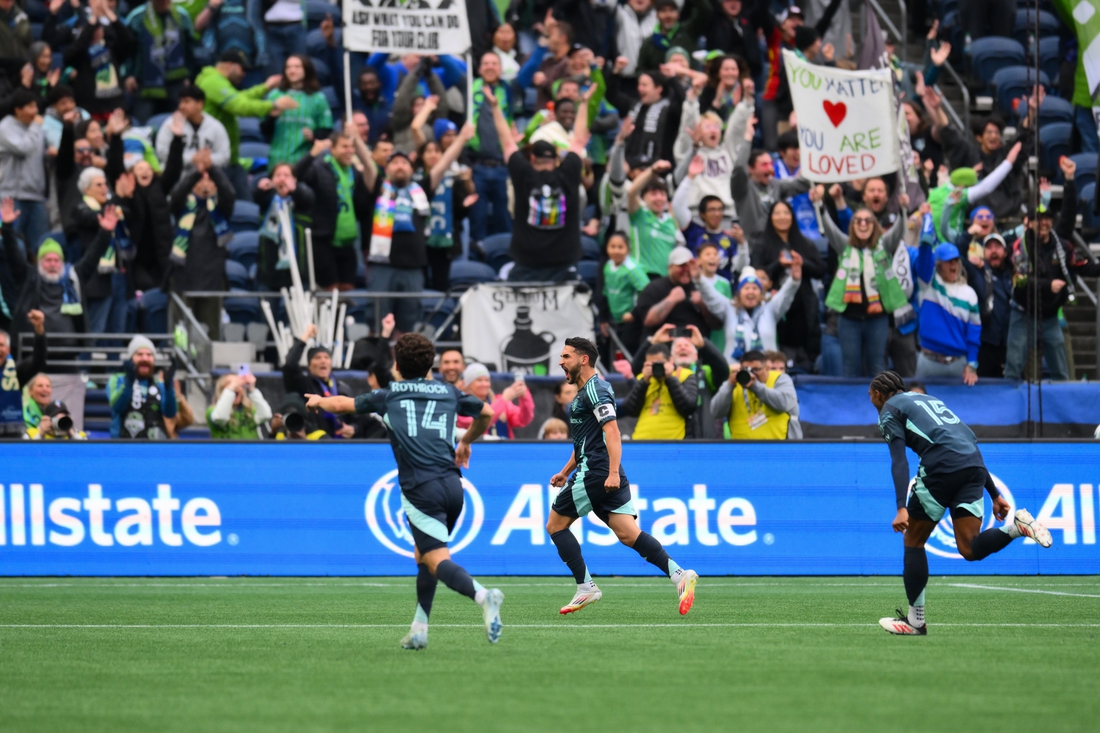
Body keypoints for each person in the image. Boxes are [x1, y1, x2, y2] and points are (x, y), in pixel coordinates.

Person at [305, 332, 504, 650]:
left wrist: (318, 401)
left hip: (420, 489)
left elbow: (343, 404)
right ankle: (419, 628)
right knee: (423, 556)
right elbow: (487, 413)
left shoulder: (389, 394)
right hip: (453, 488)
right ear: (431, 365)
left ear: (396, 364)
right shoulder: (448, 391)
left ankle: (483, 596)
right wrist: (465, 441)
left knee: (436, 558)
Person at [869, 370, 1052, 635]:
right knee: (969, 549)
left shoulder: (889, 409)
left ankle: (915, 622)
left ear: (877, 394)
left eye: (871, 397)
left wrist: (901, 508)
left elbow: (899, 460)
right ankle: (1017, 528)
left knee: (913, 541)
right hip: (974, 465)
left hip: (941, 468)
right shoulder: (929, 400)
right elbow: (965, 441)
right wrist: (995, 493)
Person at [547, 336, 699, 615]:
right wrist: (565, 471)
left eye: (566, 356)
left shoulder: (596, 389)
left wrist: (612, 471)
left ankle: (585, 587)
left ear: (583, 359)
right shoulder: (585, 392)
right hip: (603, 471)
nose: (560, 362)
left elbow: (612, 432)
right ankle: (680, 575)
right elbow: (586, 440)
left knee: (555, 526)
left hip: (598, 472)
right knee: (628, 534)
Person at [486, 83, 590, 282]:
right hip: (564, 262)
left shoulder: (524, 174)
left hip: (527, 262)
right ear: (557, 160)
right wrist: (583, 104)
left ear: (532, 159)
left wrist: (495, 107)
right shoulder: (568, 173)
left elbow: (507, 143)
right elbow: (578, 140)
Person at [815, 189, 910, 377]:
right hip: (849, 319)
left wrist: (902, 210)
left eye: (868, 220)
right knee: (850, 369)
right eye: (858, 220)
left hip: (877, 319)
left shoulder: (885, 245)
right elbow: (830, 229)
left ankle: (875, 406)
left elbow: (899, 230)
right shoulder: (845, 246)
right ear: (852, 226)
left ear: (875, 225)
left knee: (876, 368)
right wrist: (819, 205)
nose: (863, 224)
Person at [1004, 157, 1079, 382]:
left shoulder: (1057, 242)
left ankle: (1062, 415)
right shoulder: (1020, 245)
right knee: (1013, 367)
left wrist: (1070, 180)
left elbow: (1068, 217)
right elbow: (1022, 280)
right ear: (1029, 223)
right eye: (1039, 220)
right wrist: (1049, 285)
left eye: (1047, 219)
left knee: (1061, 372)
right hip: (1022, 314)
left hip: (1049, 317)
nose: (1044, 223)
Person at [195, 49, 299, 200]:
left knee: (247, 203)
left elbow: (239, 97)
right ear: (230, 65)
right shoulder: (212, 81)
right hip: (215, 162)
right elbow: (239, 106)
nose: (244, 74)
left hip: (230, 161)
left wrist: (265, 88)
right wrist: (274, 105)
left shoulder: (219, 81)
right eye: (242, 68)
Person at [168, 147, 236, 340]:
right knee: (181, 332)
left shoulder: (221, 211)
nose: (205, 183)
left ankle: (210, 369)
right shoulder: (181, 207)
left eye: (210, 180)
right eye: (200, 180)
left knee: (210, 331)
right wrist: (197, 171)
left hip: (212, 278)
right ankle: (180, 367)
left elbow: (229, 193)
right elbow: (177, 193)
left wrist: (212, 168)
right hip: (183, 276)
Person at [751, 199, 827, 370]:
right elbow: (756, 273)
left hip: (804, 306)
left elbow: (821, 270)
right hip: (774, 308)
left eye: (786, 213)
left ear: (792, 217)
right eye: (777, 213)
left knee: (806, 355)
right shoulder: (762, 243)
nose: (782, 217)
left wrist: (802, 263)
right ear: (770, 217)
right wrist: (778, 265)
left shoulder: (804, 242)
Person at [293, 134, 372, 290]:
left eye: (351, 147)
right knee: (331, 292)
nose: (349, 151)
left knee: (348, 289)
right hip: (324, 239)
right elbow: (296, 175)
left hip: (348, 241)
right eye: (344, 146)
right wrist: (312, 153)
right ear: (332, 149)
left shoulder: (354, 172)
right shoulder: (319, 168)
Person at [912, 214, 981, 385]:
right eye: (948, 261)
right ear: (938, 264)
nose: (953, 265)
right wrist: (927, 226)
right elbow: (925, 254)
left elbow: (974, 332)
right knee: (920, 410)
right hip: (928, 362)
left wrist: (972, 364)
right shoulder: (928, 283)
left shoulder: (969, 293)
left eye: (956, 260)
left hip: (957, 364)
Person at [697, 260, 803, 362]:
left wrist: (794, 281)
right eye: (746, 288)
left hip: (766, 371)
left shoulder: (770, 308)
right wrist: (698, 278)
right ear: (739, 293)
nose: (750, 291)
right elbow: (710, 296)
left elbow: (786, 295)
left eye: (755, 288)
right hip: (735, 371)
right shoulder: (729, 309)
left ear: (761, 293)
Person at [730, 112, 811, 240]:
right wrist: (748, 137)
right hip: (753, 246)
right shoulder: (742, 189)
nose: (770, 168)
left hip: (776, 245)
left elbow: (803, 184)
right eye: (764, 165)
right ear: (751, 169)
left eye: (770, 164)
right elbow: (739, 168)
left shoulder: (775, 184)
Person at [467, 51, 516, 246]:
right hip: (477, 166)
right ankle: (476, 262)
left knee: (505, 218)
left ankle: (506, 259)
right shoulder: (469, 88)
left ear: (501, 69)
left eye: (494, 64)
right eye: (485, 63)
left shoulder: (511, 90)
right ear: (479, 69)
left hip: (503, 166)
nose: (489, 67)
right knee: (477, 220)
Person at [124, 0, 197, 123]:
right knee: (143, 125)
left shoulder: (182, 16)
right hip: (145, 84)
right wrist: (128, 75)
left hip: (176, 82)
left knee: (180, 122)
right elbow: (127, 49)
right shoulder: (137, 17)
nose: (165, 2)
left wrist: (189, 75)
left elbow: (190, 49)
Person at [63, 0, 134, 118]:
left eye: (98, 28)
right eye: (92, 29)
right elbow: (73, 52)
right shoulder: (80, 54)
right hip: (90, 109)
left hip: (115, 109)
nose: (96, 32)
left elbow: (128, 39)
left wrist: (107, 12)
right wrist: (93, 19)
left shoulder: (112, 49)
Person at [282, 322, 353, 438]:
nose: (323, 361)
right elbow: (290, 365)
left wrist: (354, 428)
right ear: (309, 365)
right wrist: (305, 337)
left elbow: (356, 418)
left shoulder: (342, 388)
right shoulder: (303, 386)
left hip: (341, 445)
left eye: (326, 357)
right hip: (314, 445)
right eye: (317, 358)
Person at [711, 349, 801, 440]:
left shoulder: (780, 379)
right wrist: (729, 385)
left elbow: (784, 403)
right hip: (744, 451)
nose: (751, 373)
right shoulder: (733, 385)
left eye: (756, 369)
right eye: (746, 370)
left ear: (767, 368)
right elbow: (715, 412)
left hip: (778, 449)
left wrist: (755, 386)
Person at [0, 89, 49, 254]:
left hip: (36, 196)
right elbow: (22, 148)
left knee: (42, 246)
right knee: (11, 244)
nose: (35, 111)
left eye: (36, 106)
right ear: (17, 109)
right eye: (30, 106)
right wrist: (35, 127)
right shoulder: (5, 127)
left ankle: (39, 279)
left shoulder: (37, 129)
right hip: (12, 197)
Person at [254, 161, 314, 291]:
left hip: (298, 271)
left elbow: (308, 199)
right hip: (268, 271)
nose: (282, 179)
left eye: (287, 175)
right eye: (278, 175)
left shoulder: (302, 200)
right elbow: (257, 197)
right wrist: (262, 189)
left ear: (295, 179)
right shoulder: (267, 200)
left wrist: (293, 190)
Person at [265, 54, 332, 170]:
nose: (292, 70)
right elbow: (265, 130)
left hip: (306, 161)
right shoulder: (274, 95)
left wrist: (313, 136)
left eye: (297, 67)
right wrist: (271, 117)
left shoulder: (318, 98)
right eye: (288, 67)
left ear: (306, 70)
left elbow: (326, 130)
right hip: (278, 160)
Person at [620, 341, 697, 439]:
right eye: (651, 365)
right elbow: (630, 410)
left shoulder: (684, 375)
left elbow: (689, 407)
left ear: (670, 360)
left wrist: (670, 379)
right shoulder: (643, 378)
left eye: (659, 364)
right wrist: (644, 383)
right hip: (641, 440)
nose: (656, 368)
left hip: (675, 441)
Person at [962, 232, 1014, 378]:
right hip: (986, 344)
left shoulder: (1015, 273)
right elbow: (959, 254)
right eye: (989, 248)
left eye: (997, 247)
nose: (993, 251)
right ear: (984, 253)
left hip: (1010, 344)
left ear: (1005, 252)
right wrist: (970, 233)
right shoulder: (977, 272)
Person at [633, 246, 715, 336]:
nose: (686, 270)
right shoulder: (654, 287)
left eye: (689, 265)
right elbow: (648, 321)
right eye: (681, 266)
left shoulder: (701, 288)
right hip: (663, 345)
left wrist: (702, 305)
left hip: (695, 345)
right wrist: (671, 300)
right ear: (670, 267)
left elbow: (716, 325)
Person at [108, 335, 177, 439]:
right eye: (139, 354)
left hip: (156, 449)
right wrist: (129, 382)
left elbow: (170, 413)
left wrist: (168, 388)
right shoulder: (117, 379)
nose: (145, 358)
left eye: (149, 355)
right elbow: (117, 407)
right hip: (125, 447)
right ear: (131, 358)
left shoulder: (160, 384)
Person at [154, 87, 231, 175]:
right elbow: (162, 152)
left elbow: (225, 156)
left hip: (205, 176)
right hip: (175, 176)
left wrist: (208, 160)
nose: (181, 106)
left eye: (186, 102)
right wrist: (191, 159)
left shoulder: (215, 126)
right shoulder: (171, 123)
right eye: (181, 101)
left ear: (200, 104)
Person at [627, 159, 682, 278]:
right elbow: (632, 192)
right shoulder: (640, 215)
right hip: (643, 277)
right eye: (653, 194)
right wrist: (652, 170)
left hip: (666, 280)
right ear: (643, 198)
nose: (659, 198)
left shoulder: (671, 221)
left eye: (662, 194)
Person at [599, 231, 649, 353]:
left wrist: (634, 314)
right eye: (612, 247)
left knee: (629, 352)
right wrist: (603, 318)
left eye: (620, 247)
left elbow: (647, 291)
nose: (616, 251)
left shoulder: (633, 269)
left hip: (632, 322)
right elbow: (606, 292)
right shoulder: (607, 267)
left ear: (627, 249)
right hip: (615, 320)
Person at [0, 310, 46, 436]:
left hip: (13, 437)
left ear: (8, 350)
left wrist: (39, 328)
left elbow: (38, 361)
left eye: (1, 345)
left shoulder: (16, 371)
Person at [460, 362, 534, 440]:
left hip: (505, 450)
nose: (484, 384)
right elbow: (477, 423)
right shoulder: (463, 404)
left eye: (486, 380)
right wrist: (504, 399)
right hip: (480, 449)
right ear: (468, 384)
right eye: (479, 380)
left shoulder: (497, 400)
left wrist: (524, 396)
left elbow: (524, 419)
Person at [206, 372, 273, 438]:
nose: (236, 386)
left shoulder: (250, 410)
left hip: (250, 448)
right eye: (229, 383)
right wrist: (230, 389)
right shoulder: (212, 411)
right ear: (222, 390)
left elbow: (266, 415)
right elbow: (220, 418)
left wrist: (252, 389)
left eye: (239, 383)